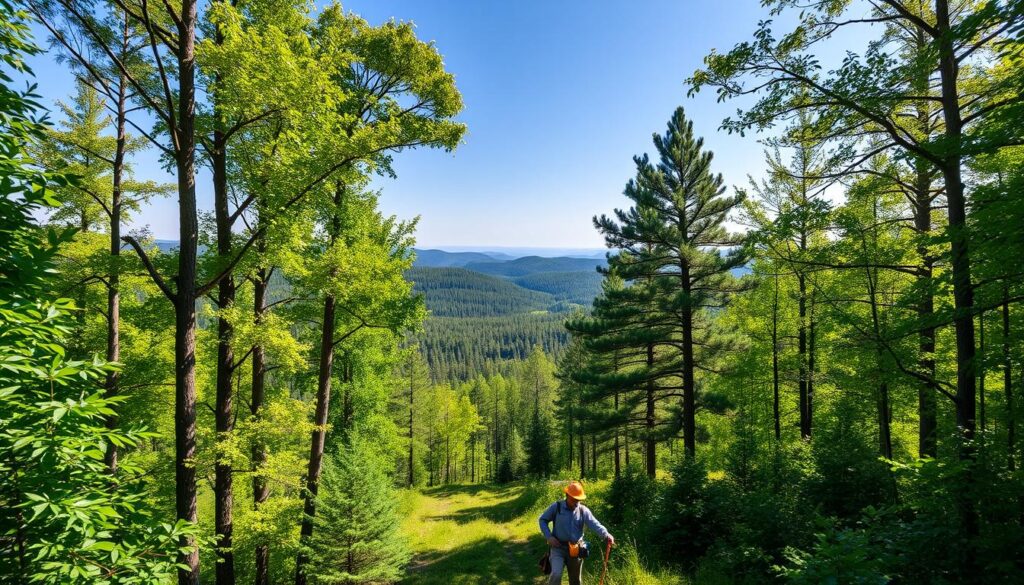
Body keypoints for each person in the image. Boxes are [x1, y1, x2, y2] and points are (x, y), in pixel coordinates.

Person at [538, 481, 614, 585]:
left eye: (578, 500)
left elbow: (595, 524)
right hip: (557, 548)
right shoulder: (557, 507)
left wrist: (606, 534)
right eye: (574, 499)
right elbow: (542, 520)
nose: (576, 502)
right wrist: (549, 537)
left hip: (575, 550)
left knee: (575, 581)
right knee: (556, 574)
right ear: (567, 495)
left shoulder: (583, 511)